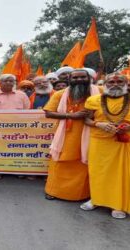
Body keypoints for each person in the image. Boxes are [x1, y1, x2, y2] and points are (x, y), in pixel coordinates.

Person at [44, 69, 100, 201]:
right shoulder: (60, 94)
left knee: (84, 163)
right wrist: (70, 115)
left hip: (91, 134)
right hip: (65, 136)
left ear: (89, 78)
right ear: (70, 79)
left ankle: (82, 194)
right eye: (75, 78)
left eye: (82, 77)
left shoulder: (99, 92)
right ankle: (54, 191)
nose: (79, 80)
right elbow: (48, 113)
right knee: (60, 163)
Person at [81, 73, 130, 219]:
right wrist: (99, 124)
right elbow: (86, 120)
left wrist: (127, 127)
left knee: (121, 174)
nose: (115, 84)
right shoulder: (93, 100)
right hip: (99, 141)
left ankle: (118, 204)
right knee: (97, 172)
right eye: (111, 81)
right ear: (105, 84)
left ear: (126, 84)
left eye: (119, 81)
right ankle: (96, 199)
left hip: (123, 142)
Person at [0, 74, 30, 180]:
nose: (9, 83)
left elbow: (28, 111)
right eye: (6, 81)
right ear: (0, 83)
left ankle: (18, 170)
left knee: (17, 150)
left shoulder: (22, 95)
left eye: (11, 81)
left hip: (18, 129)